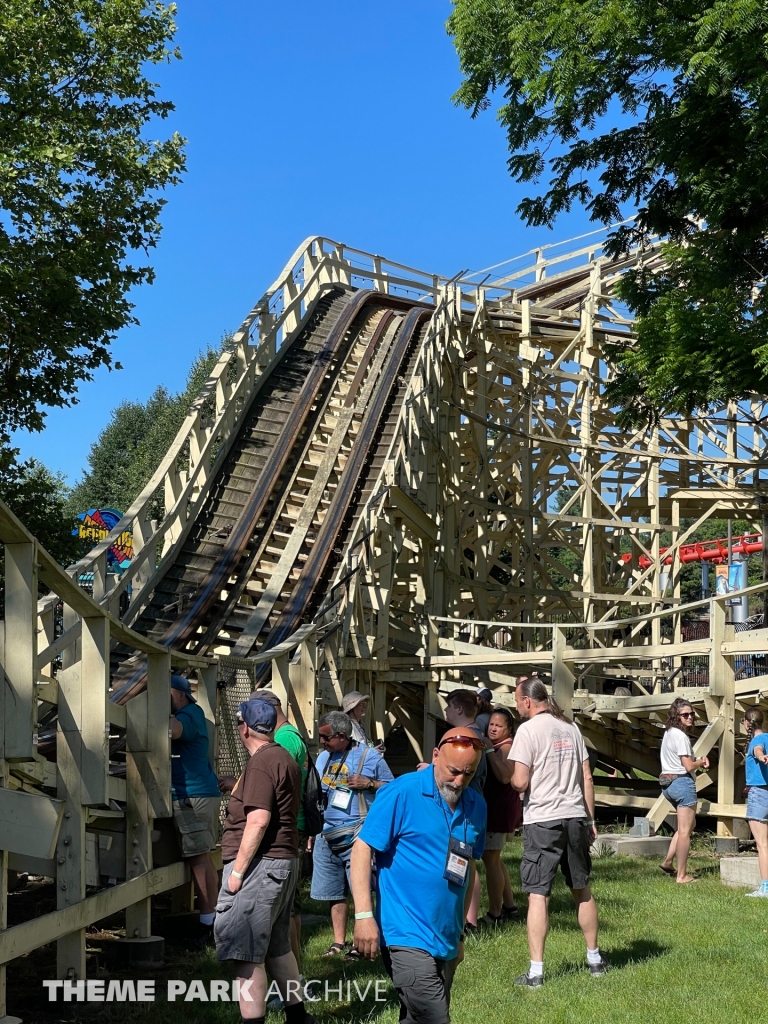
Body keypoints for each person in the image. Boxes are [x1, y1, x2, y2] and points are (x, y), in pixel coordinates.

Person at [350, 728, 487, 1024]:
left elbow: (468, 867)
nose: (460, 781)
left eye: (469, 773)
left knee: (416, 1018)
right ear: (436, 756)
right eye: (453, 771)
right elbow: (362, 848)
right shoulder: (402, 792)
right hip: (405, 933)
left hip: (446, 936)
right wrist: (363, 915)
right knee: (435, 1019)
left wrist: (460, 932)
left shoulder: (476, 805)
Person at [214, 698, 316, 1024]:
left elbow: (257, 820)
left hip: (261, 866)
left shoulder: (261, 763)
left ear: (244, 726)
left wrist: (237, 873)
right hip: (284, 861)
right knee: (277, 946)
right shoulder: (283, 756)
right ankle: (299, 1018)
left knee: (245, 954)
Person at [509, 677, 608, 987]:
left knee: (539, 895)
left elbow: (521, 782)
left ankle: (536, 972)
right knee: (582, 888)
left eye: (516, 701)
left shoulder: (526, 730)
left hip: (543, 820)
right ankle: (594, 959)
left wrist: (512, 781)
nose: (515, 707)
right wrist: (590, 821)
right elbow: (587, 778)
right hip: (576, 817)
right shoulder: (570, 728)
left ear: (527, 701)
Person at [311, 710, 393, 957]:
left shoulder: (371, 758)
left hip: (357, 834)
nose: (322, 743)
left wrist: (369, 784)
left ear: (342, 735)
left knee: (361, 889)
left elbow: (392, 788)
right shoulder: (323, 758)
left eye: (326, 738)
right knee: (334, 892)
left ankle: (364, 941)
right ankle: (338, 942)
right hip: (325, 834)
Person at [169, 674, 222, 944]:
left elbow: (175, 731)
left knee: (199, 859)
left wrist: (153, 713)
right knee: (202, 858)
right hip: (197, 794)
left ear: (178, 694)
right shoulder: (194, 711)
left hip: (193, 796)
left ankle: (209, 923)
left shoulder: (189, 712)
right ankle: (212, 918)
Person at [478, 707, 522, 925]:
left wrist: (488, 752)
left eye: (499, 726)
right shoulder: (497, 746)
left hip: (500, 811)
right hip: (495, 810)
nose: (493, 728)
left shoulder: (507, 747)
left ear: (509, 729)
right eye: (491, 724)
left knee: (491, 860)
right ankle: (510, 905)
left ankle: (495, 913)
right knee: (494, 858)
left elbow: (505, 776)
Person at [658, 697, 708, 884]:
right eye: (685, 714)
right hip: (682, 784)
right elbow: (688, 766)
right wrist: (701, 761)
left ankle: (668, 862)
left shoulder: (669, 733)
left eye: (692, 714)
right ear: (676, 716)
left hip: (667, 785)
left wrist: (698, 759)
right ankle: (682, 875)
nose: (689, 717)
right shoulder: (681, 736)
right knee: (686, 831)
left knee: (687, 826)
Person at [743, 707, 768, 896]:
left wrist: (760, 756)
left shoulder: (755, 741)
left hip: (759, 793)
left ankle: (765, 888)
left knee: (762, 843)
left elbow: (758, 750)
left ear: (746, 723)